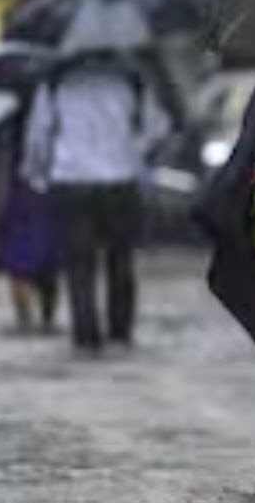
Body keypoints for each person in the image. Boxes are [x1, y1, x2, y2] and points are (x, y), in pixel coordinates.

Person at [22, 53, 172, 353]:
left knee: (78, 263)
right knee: (121, 260)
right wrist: (132, 149)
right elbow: (158, 127)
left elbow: (38, 135)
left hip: (71, 179)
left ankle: (86, 335)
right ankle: (119, 332)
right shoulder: (131, 78)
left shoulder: (56, 81)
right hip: (120, 179)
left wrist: (36, 175)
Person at [0, 88, 61, 334]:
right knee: (48, 260)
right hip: (48, 192)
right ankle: (45, 319)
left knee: (19, 263)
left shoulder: (3, 121)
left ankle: (25, 320)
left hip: (19, 194)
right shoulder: (55, 112)